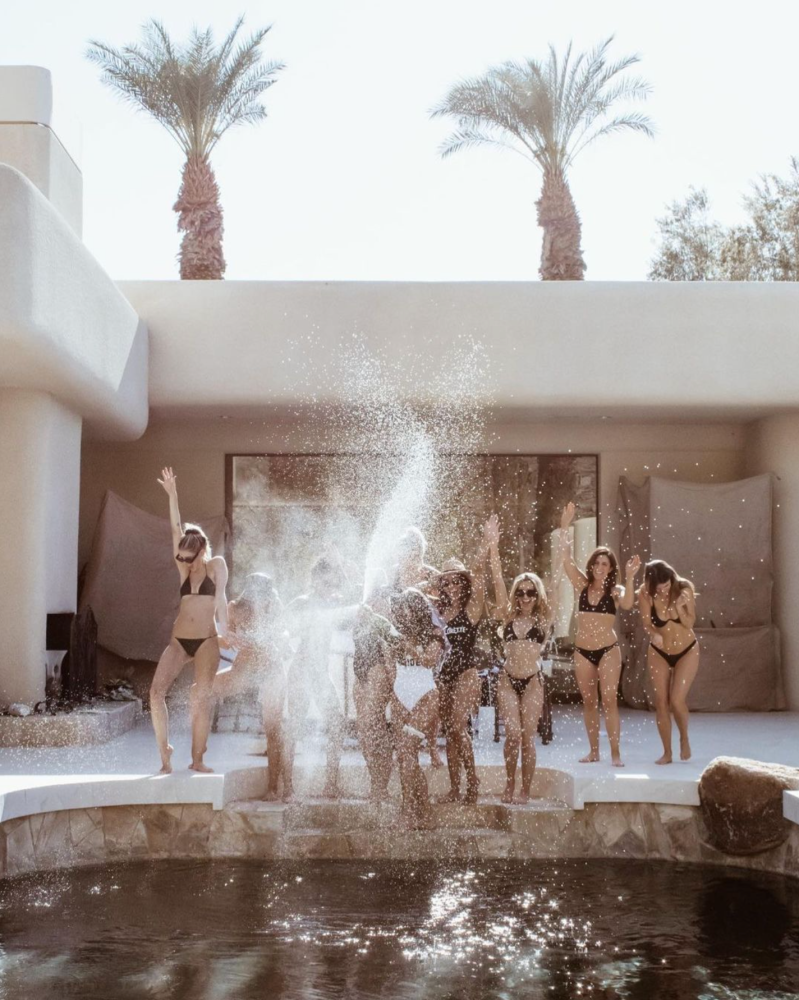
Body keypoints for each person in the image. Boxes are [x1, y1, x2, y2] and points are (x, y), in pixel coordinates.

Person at [150, 467, 228, 774]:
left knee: (201, 697)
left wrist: (226, 631)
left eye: (188, 558)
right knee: (156, 692)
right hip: (179, 641)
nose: (182, 562)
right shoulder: (184, 571)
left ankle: (197, 759)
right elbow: (175, 529)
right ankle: (164, 751)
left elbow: (221, 598)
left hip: (207, 640)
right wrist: (173, 496)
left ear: (202, 553)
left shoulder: (216, 566)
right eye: (180, 558)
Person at [560, 502, 639, 767]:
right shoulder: (582, 585)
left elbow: (628, 604)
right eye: (597, 562)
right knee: (589, 701)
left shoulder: (614, 591)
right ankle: (594, 751)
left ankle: (615, 753)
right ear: (592, 565)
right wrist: (564, 526)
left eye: (605, 563)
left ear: (610, 567)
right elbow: (566, 561)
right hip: (583, 651)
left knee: (609, 700)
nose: (600, 566)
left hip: (607, 650)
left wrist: (629, 577)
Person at [486, 514, 553, 803]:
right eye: (521, 593)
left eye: (531, 593)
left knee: (528, 737)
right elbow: (498, 578)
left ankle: (525, 789)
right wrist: (493, 546)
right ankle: (510, 784)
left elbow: (558, 577)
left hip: (533, 681)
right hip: (508, 680)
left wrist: (562, 538)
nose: (525, 597)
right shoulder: (507, 614)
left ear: (538, 596)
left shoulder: (545, 618)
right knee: (512, 734)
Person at [283, 555, 348, 801]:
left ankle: (330, 785)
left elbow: (351, 592)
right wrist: (284, 642)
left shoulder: (333, 603)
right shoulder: (302, 602)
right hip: (301, 670)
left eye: (331, 583)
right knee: (294, 726)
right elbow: (281, 627)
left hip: (320, 672)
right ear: (314, 580)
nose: (329, 587)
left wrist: (339, 563)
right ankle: (287, 788)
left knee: (337, 723)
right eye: (324, 582)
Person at [434, 524, 490, 804]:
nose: (452, 586)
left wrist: (486, 543)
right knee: (449, 733)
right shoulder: (439, 610)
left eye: (457, 581)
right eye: (447, 582)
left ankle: (473, 782)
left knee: (458, 727)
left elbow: (479, 573)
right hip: (443, 676)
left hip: (467, 673)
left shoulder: (472, 607)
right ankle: (455, 788)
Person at [224, 573, 289, 799]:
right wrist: (230, 638)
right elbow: (226, 635)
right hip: (245, 668)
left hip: (271, 668)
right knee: (202, 691)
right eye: (257, 593)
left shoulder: (275, 607)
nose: (261, 597)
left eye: (266, 593)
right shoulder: (234, 607)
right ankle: (196, 759)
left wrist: (264, 609)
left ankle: (273, 787)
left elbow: (281, 636)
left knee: (273, 727)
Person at [387, 588, 449, 825]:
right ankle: (421, 810)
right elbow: (389, 663)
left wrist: (408, 647)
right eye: (402, 608)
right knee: (406, 756)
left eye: (408, 607)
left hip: (425, 695)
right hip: (401, 695)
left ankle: (408, 811)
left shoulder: (434, 633)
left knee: (406, 750)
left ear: (419, 609)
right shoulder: (397, 632)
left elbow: (429, 660)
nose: (404, 612)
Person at [638, 559, 700, 765]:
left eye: (666, 585)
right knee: (661, 702)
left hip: (686, 650)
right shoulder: (645, 594)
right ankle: (667, 752)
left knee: (677, 700)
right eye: (659, 587)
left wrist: (681, 608)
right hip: (659, 651)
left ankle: (684, 737)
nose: (664, 590)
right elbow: (646, 623)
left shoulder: (684, 589)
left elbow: (690, 622)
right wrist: (654, 633)